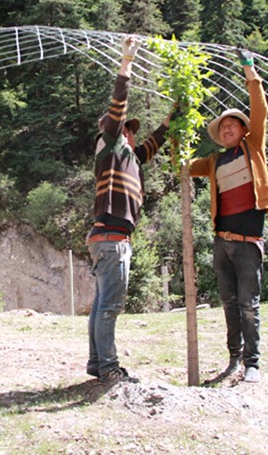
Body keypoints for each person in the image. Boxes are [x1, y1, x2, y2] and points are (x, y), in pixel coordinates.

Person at [189, 48, 268, 384]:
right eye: (223, 127)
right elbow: (185, 166)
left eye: (232, 125)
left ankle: (252, 363)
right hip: (222, 242)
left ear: (243, 129)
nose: (227, 129)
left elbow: (260, 109)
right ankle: (234, 358)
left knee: (248, 304)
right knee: (228, 302)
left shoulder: (253, 147)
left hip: (248, 242)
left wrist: (249, 70)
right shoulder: (214, 162)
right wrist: (177, 134)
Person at [87, 36, 174, 384]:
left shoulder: (128, 158)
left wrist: (172, 118)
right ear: (119, 130)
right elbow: (118, 104)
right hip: (112, 239)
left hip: (107, 238)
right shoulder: (109, 144)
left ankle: (97, 363)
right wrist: (127, 63)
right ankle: (109, 368)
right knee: (110, 307)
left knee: (101, 304)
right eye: (129, 130)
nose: (134, 135)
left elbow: (155, 141)